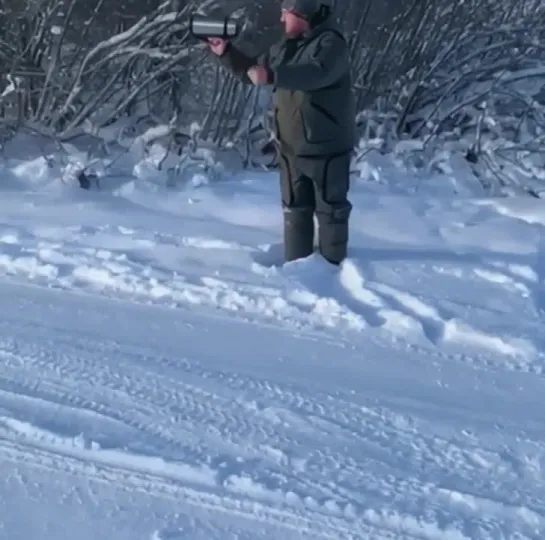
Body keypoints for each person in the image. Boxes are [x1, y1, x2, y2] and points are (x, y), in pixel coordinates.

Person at [208, 0, 356, 266]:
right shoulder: (283, 47)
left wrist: (272, 74)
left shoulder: (331, 44)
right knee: (294, 211)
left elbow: (314, 74)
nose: (281, 20)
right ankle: (296, 271)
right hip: (291, 147)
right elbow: (256, 71)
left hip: (327, 148)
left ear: (303, 13)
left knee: (331, 212)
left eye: (286, 13)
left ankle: (336, 274)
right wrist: (226, 52)